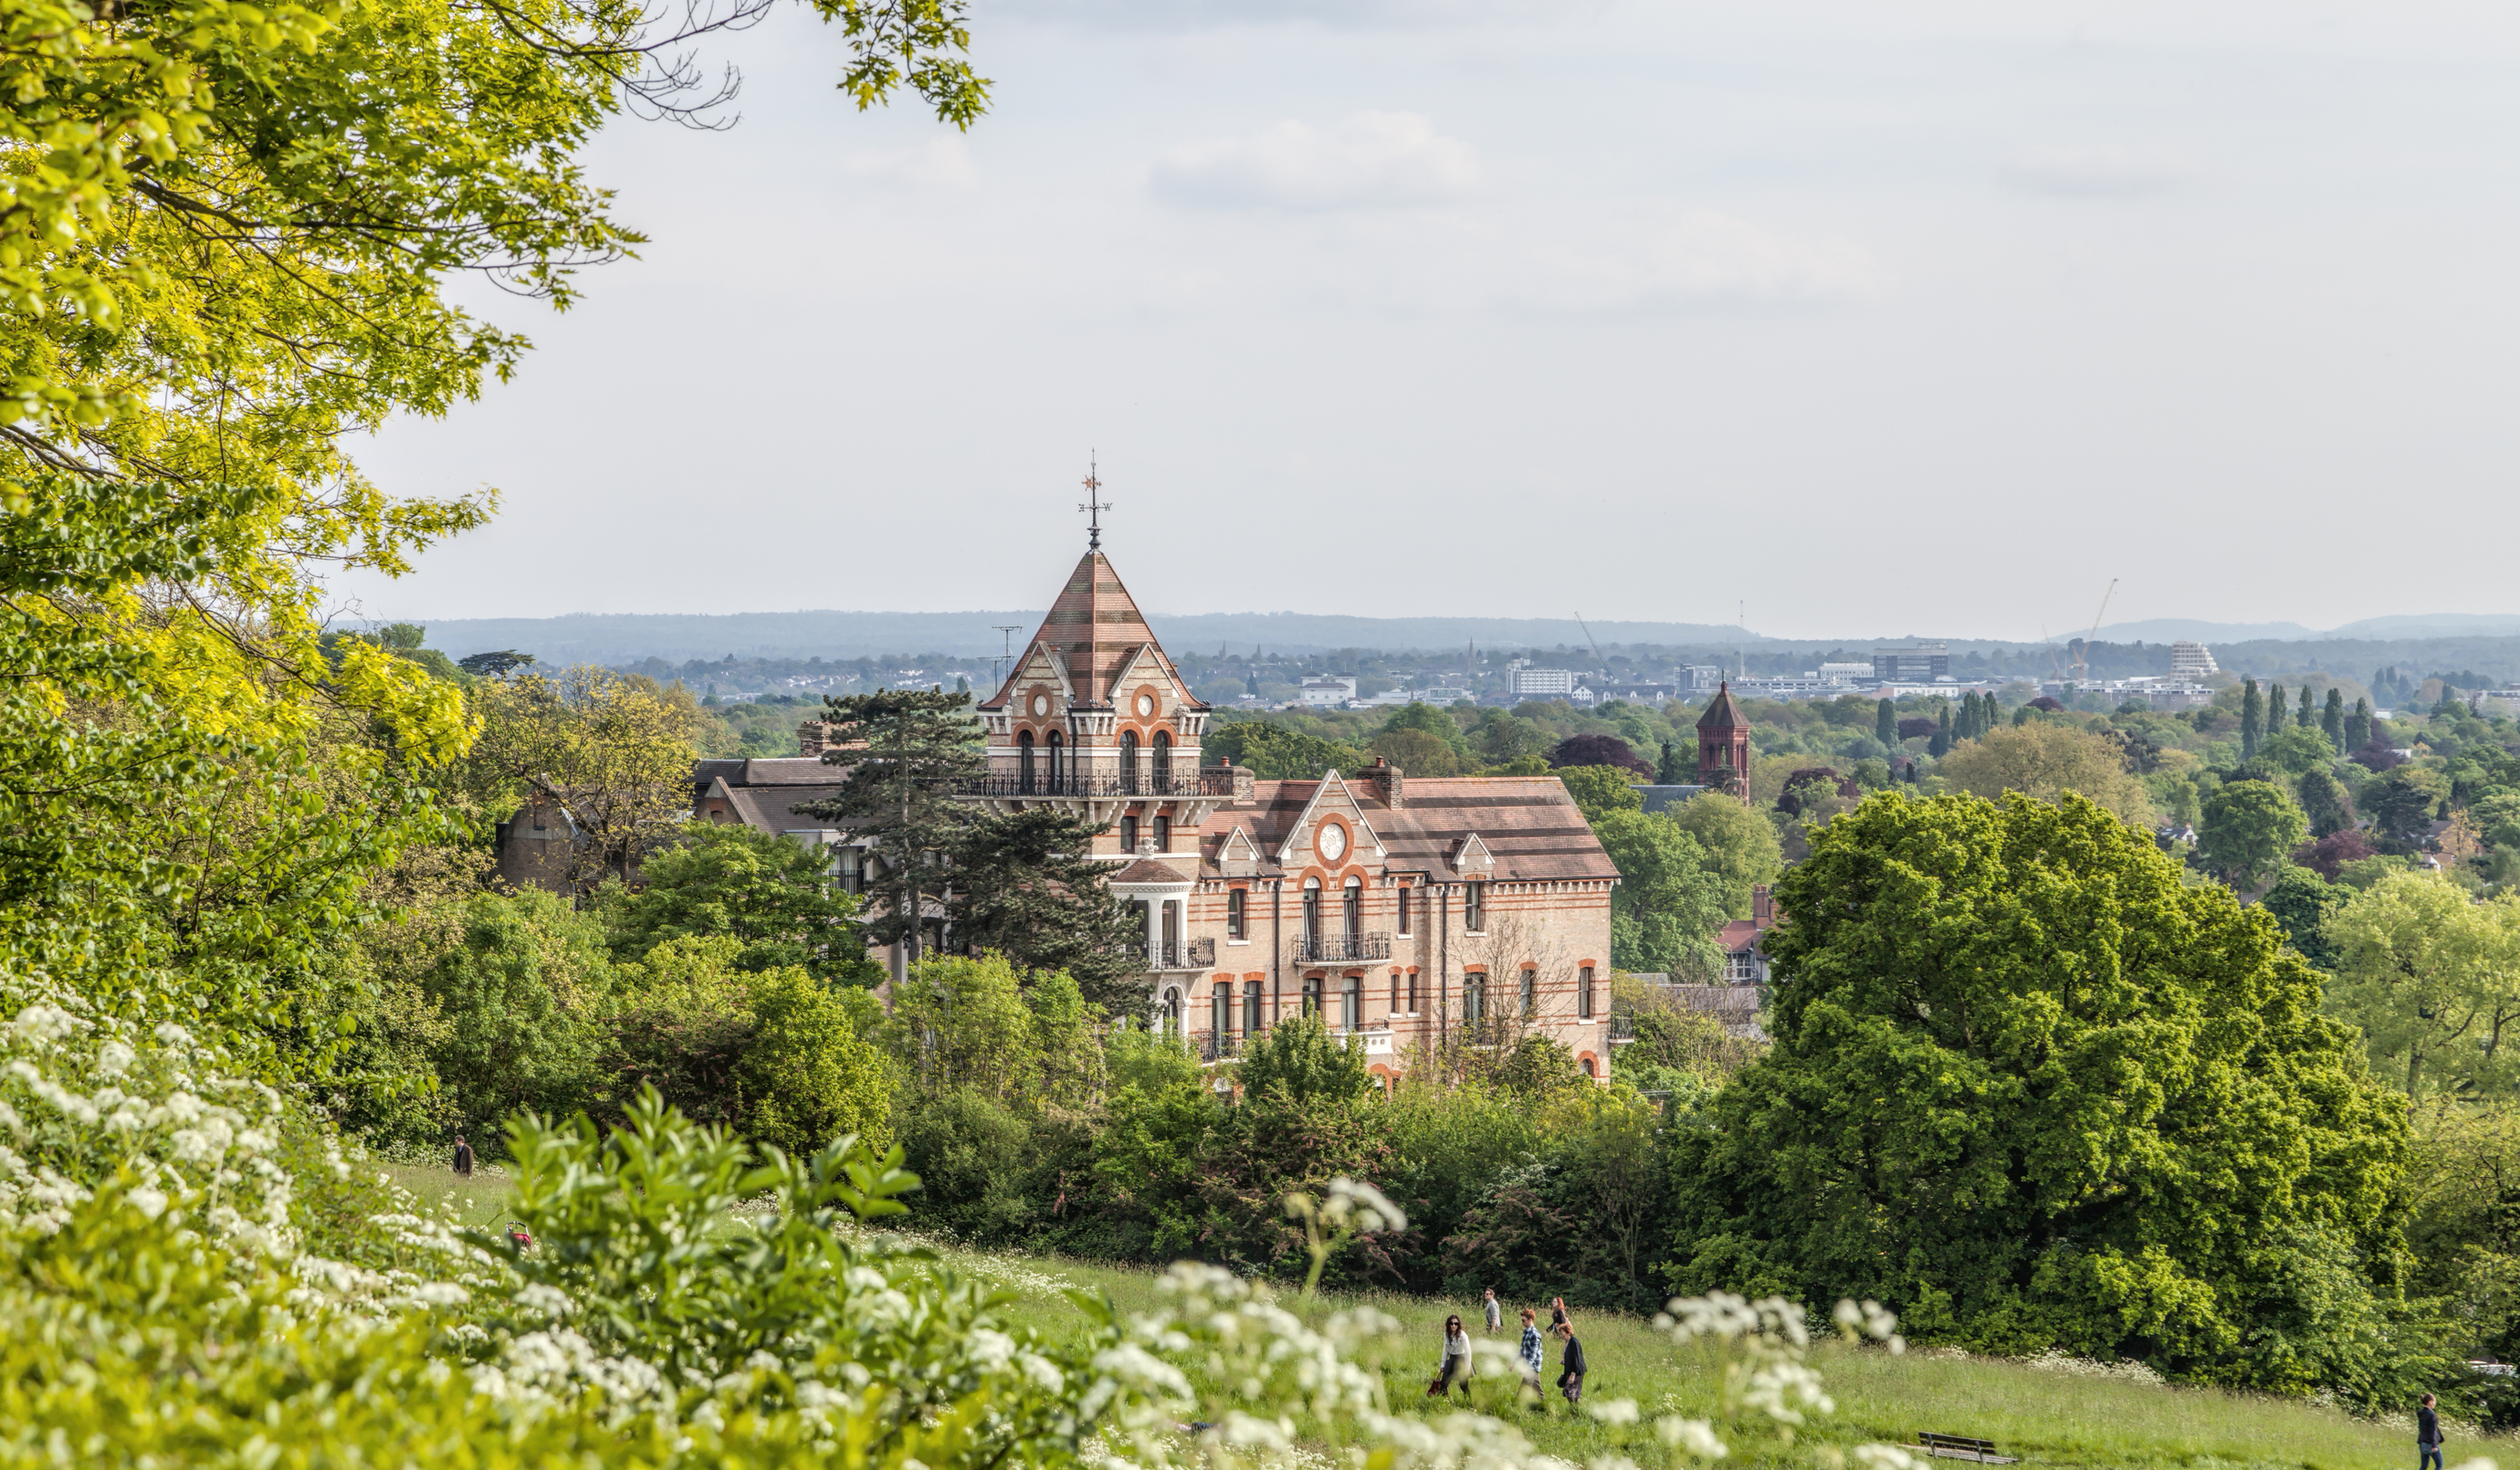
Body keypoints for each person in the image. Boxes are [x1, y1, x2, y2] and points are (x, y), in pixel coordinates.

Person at [1437, 1314, 1474, 1399]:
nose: (1453, 1325)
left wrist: (1467, 1369)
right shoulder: (1446, 1334)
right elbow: (1445, 1349)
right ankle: (1445, 1401)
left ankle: (1469, 1401)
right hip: (1452, 1359)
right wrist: (1443, 1364)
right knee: (1443, 1382)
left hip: (1462, 1360)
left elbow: (1468, 1352)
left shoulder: (1462, 1335)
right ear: (1448, 1324)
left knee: (1463, 1385)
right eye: (1451, 1323)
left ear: (1458, 1324)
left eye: (1456, 1323)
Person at [1556, 1320, 1586, 1408]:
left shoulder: (1574, 1342)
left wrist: (1573, 1374)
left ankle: (1574, 1408)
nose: (1561, 1336)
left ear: (1568, 1332)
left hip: (1577, 1371)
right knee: (1575, 1392)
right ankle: (1576, 1409)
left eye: (1562, 1333)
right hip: (1570, 1369)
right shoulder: (1567, 1342)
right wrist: (1564, 1361)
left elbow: (1577, 1359)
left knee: (1567, 1391)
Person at [1517, 1307, 1546, 1386]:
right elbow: (1522, 1350)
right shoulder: (1526, 1332)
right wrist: (1514, 1363)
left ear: (1530, 1320)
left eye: (1523, 1320)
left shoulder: (1534, 1334)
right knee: (1537, 1390)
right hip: (1529, 1366)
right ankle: (1542, 1398)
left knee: (1522, 1391)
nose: (1522, 1322)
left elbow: (1533, 1354)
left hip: (1532, 1367)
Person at [2419, 1392, 2442, 1470]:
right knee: (2439, 1465)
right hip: (2430, 1443)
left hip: (2422, 1442)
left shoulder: (2421, 1413)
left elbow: (2422, 1428)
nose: (2435, 1403)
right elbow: (2432, 1431)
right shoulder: (2431, 1414)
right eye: (2434, 1401)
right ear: (2430, 1402)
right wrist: (2434, 1445)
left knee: (2424, 1466)